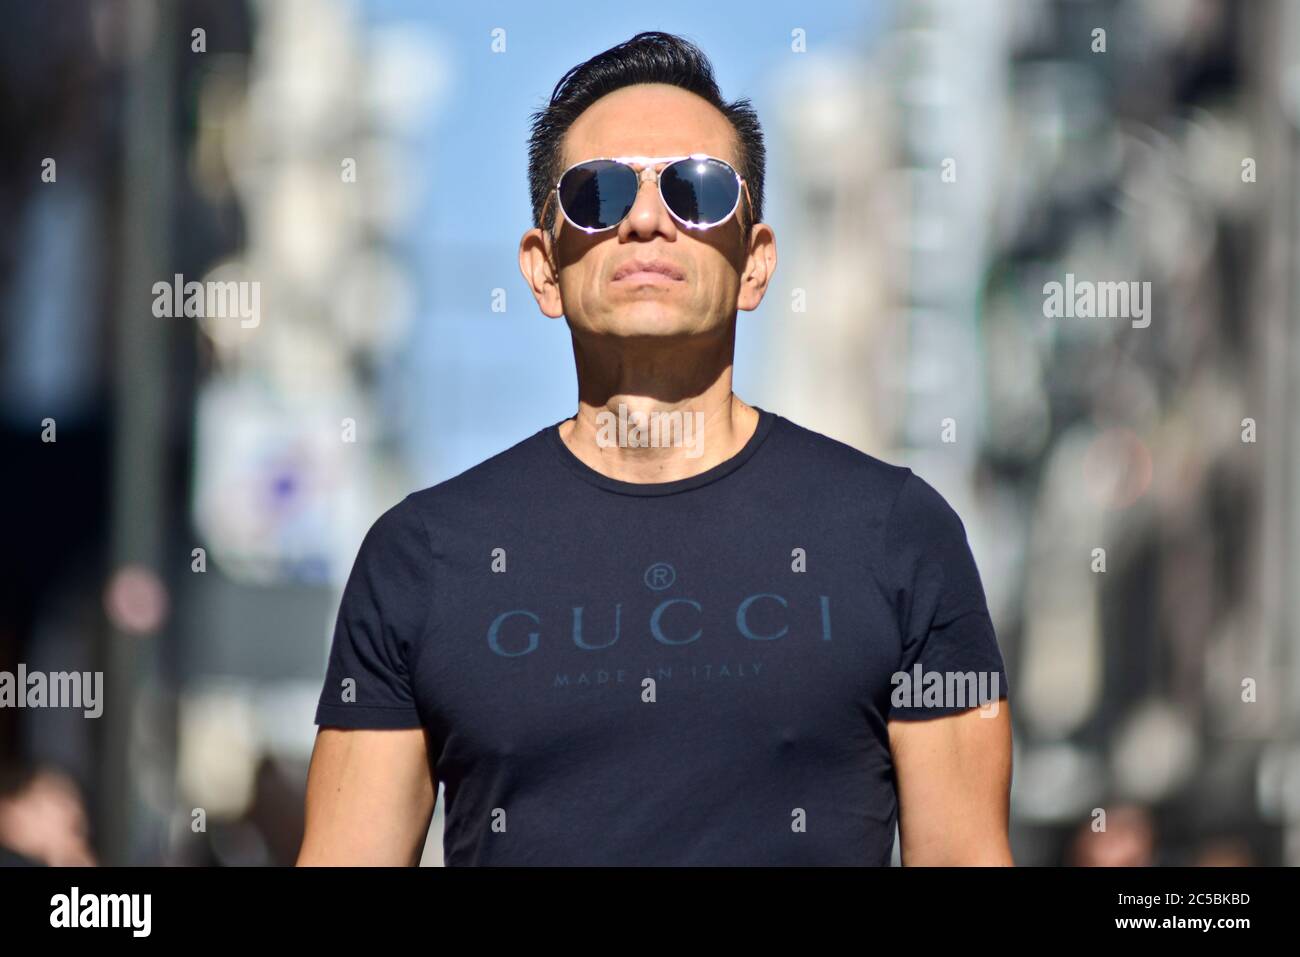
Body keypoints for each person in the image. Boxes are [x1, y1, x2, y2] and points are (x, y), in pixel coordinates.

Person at [298, 31, 1012, 866]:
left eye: (697, 191)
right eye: (595, 195)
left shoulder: (896, 533)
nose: (644, 220)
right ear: (541, 269)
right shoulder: (422, 556)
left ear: (755, 262)